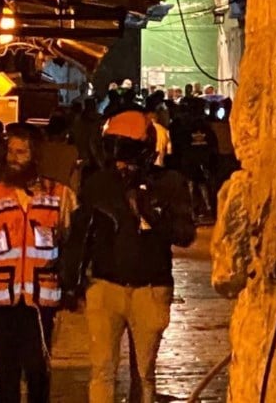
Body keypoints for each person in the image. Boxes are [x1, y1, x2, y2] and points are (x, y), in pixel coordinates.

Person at [60, 110, 195, 403]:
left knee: (144, 373)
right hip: (106, 287)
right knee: (102, 369)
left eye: (128, 152)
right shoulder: (99, 184)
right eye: (116, 150)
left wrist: (151, 213)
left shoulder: (169, 183)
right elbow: (81, 234)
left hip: (151, 289)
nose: (121, 161)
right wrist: (70, 281)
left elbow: (185, 234)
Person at [0, 125, 76, 403]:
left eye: (21, 152)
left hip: (39, 300)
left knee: (37, 368)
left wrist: (72, 286)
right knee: (6, 371)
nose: (13, 157)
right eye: (11, 151)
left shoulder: (60, 196)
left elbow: (71, 244)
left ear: (36, 155)